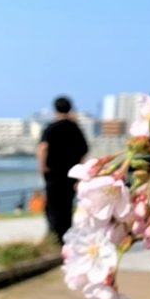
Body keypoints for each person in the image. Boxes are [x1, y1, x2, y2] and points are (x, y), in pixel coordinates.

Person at [37, 95, 88, 242]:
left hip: (53, 174)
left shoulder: (51, 128)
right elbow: (84, 151)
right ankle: (66, 236)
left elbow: (43, 148)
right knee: (66, 206)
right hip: (71, 175)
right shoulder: (76, 129)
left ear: (55, 109)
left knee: (52, 206)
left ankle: (54, 234)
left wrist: (42, 167)